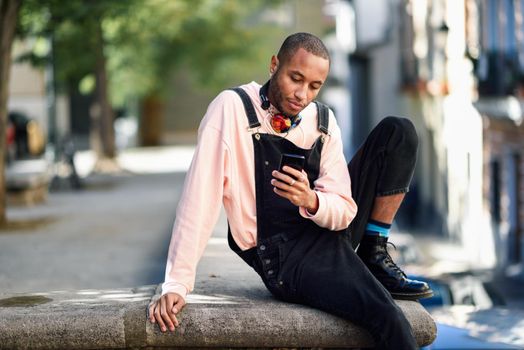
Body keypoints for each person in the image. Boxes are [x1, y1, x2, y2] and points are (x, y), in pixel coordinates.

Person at [148, 32, 432, 349]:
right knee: (389, 319)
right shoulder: (231, 108)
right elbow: (198, 201)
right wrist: (177, 283)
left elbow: (344, 210)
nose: (302, 94)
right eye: (295, 78)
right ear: (274, 65)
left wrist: (311, 200)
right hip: (284, 257)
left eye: (314, 86)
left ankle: (373, 253)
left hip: (327, 230)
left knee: (398, 132)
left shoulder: (322, 120)